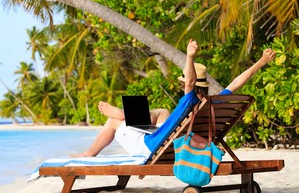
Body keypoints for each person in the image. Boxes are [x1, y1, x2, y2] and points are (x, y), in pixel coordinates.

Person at [71, 39, 276, 158]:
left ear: (187, 83)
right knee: (162, 112)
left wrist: (190, 57)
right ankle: (129, 116)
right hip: (167, 140)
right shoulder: (215, 102)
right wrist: (261, 62)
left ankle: (92, 150)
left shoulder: (190, 101)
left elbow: (189, 82)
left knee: (113, 121)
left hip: (150, 147)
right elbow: (236, 83)